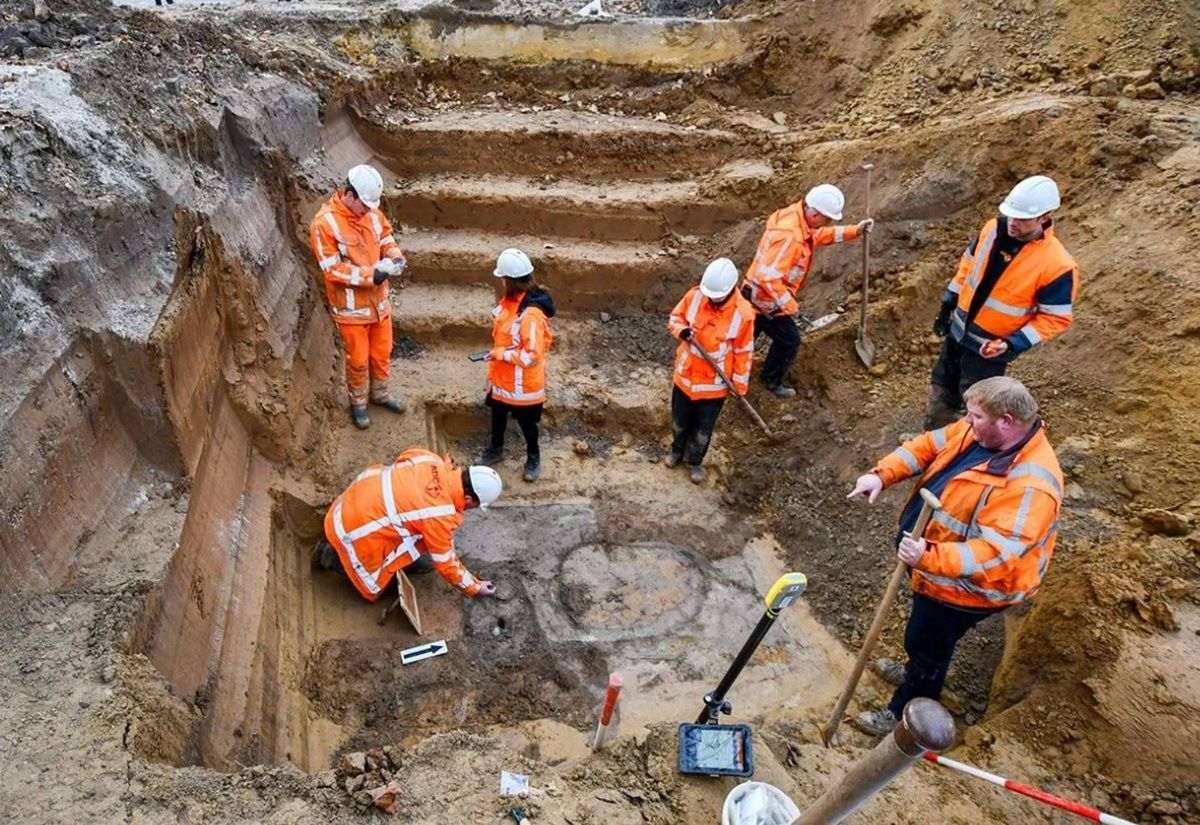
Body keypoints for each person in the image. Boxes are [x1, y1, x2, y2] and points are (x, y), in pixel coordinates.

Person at [846, 376, 1063, 736]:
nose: (967, 420)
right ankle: (916, 668)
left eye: (976, 415)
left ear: (1006, 421)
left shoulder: (1031, 485)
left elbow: (994, 555)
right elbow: (926, 446)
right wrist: (881, 476)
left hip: (969, 588)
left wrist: (927, 555)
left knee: (929, 644)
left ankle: (907, 713)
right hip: (935, 565)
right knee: (922, 638)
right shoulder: (977, 430)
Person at [926, 175, 1078, 429]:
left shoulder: (1057, 265)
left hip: (990, 348)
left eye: (1022, 219)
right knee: (942, 383)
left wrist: (1011, 343)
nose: (1013, 223)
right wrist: (948, 301)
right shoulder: (993, 229)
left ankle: (963, 452)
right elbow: (968, 266)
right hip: (959, 331)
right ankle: (932, 436)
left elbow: (1055, 318)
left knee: (977, 403)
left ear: (1045, 217)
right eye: (1011, 215)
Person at [313, 448, 502, 601]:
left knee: (420, 544)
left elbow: (401, 461)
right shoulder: (439, 515)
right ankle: (329, 556)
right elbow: (445, 563)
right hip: (352, 530)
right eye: (476, 505)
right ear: (468, 499)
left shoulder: (430, 459)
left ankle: (336, 544)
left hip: (348, 503)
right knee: (384, 585)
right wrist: (475, 588)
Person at [742, 183, 873, 398]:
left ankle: (730, 371)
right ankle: (770, 380)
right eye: (826, 219)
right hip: (764, 298)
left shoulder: (797, 218)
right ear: (813, 214)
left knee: (746, 337)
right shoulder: (791, 237)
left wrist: (855, 231)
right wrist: (790, 306)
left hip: (756, 293)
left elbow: (820, 235)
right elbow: (768, 278)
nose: (827, 223)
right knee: (789, 341)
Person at [309, 164, 408, 430]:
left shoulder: (372, 213)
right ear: (349, 194)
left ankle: (380, 394)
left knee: (382, 353)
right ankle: (359, 404)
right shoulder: (325, 224)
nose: (367, 211)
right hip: (352, 311)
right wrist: (369, 276)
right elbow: (331, 269)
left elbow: (386, 238)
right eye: (363, 205)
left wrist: (395, 257)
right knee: (359, 359)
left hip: (379, 304)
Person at [666, 258, 755, 484]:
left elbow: (744, 352)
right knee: (679, 421)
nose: (712, 299)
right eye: (710, 295)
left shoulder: (743, 314)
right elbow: (675, 318)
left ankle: (694, 461)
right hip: (685, 377)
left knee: (702, 430)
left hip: (714, 386)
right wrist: (682, 331)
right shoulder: (695, 296)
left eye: (717, 296)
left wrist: (739, 386)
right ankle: (676, 451)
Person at [477, 248, 556, 483]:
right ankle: (496, 449)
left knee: (527, 423)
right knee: (498, 414)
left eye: (502, 278)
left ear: (508, 281)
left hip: (524, 386)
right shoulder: (511, 302)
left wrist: (500, 354)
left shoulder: (530, 314)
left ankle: (533, 457)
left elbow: (531, 355)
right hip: (503, 379)